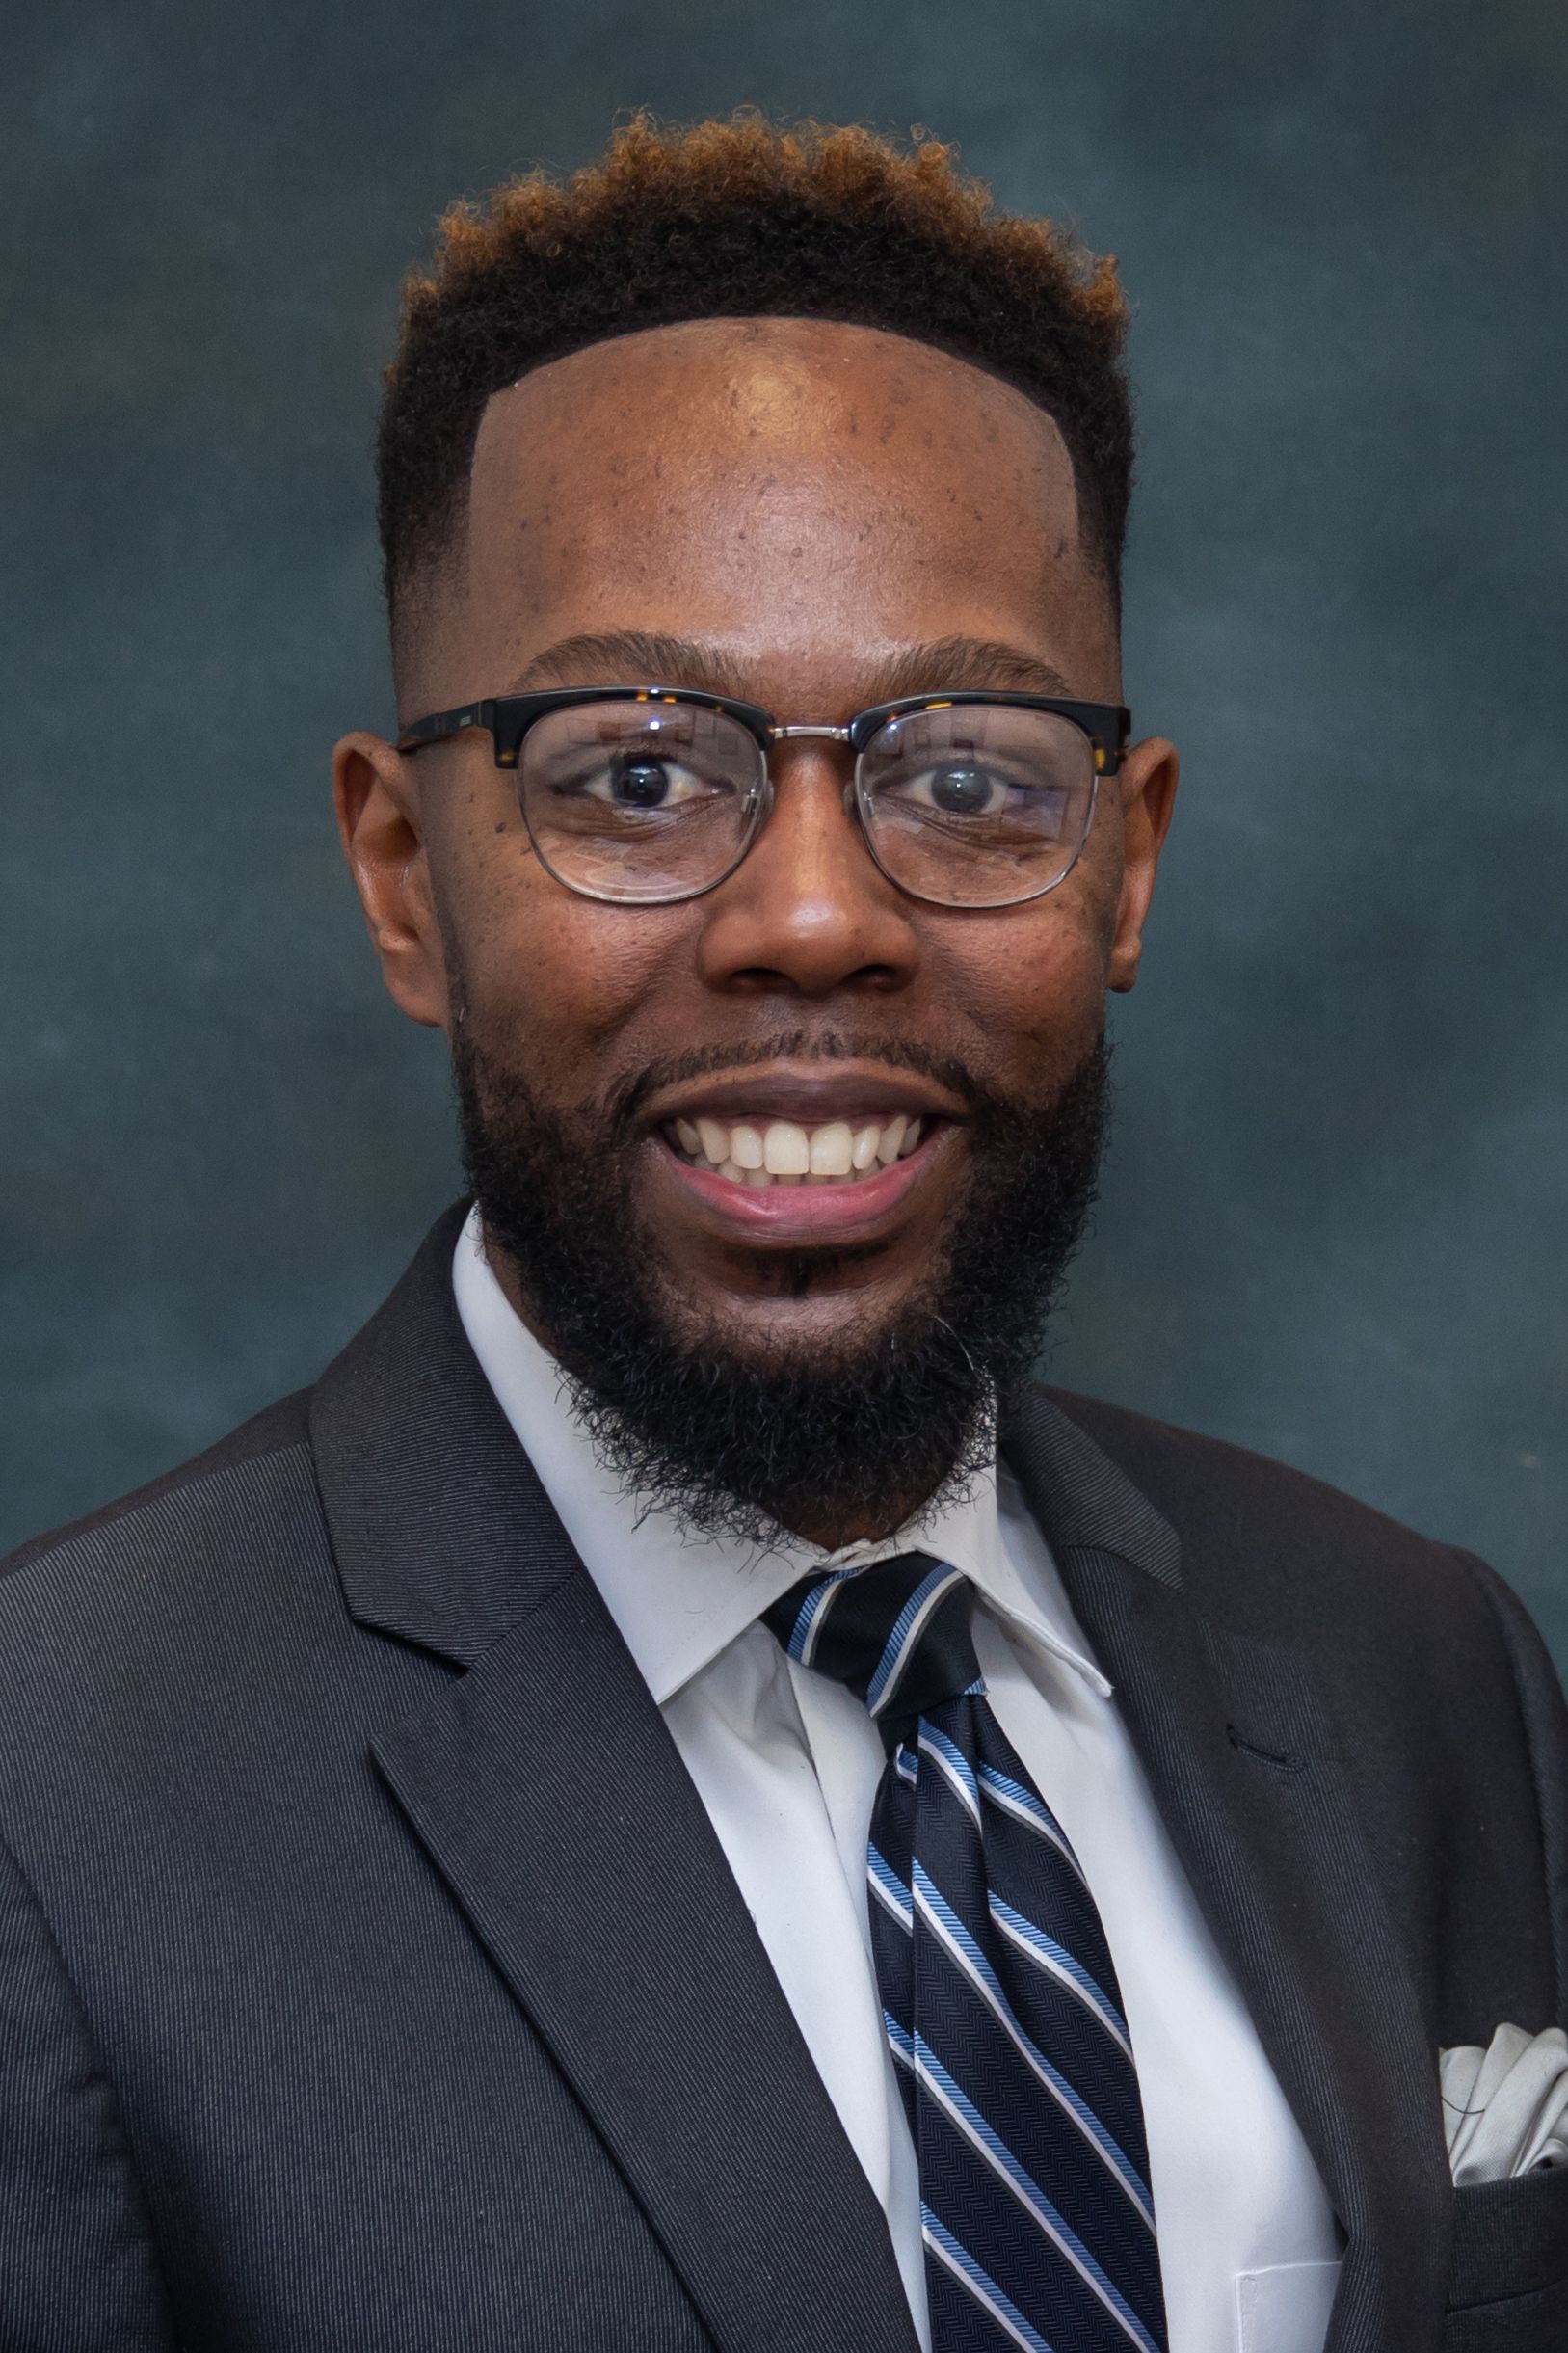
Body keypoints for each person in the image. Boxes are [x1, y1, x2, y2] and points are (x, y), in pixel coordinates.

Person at [1, 114, 1564, 2353]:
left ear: (1122, 867)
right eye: (633, 772)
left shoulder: (1422, 1673)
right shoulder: (52, 1804)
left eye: (963, 773)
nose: (813, 916)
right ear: (396, 876)